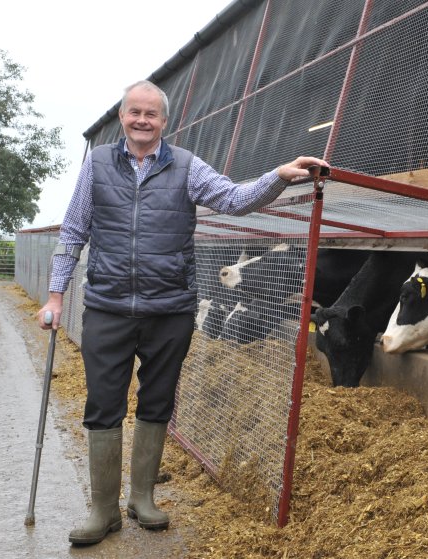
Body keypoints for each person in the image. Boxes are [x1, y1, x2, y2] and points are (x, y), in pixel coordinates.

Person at [37, 79, 328, 545]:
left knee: (157, 400)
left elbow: (233, 199)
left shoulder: (188, 167)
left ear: (164, 122)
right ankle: (102, 509)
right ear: (122, 116)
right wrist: (55, 296)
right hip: (108, 306)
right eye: (135, 112)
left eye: (151, 114)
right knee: (103, 403)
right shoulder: (95, 165)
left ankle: (142, 499)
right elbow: (73, 230)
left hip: (170, 307)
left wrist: (278, 175)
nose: (142, 120)